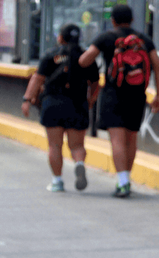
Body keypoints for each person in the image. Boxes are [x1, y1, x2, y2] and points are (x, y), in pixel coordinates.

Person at [79, 4, 159, 198]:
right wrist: (158, 95)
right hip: (137, 95)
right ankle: (127, 179)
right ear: (132, 20)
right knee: (131, 139)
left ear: (113, 20)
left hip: (113, 93)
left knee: (117, 139)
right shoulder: (143, 39)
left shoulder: (106, 37)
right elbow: (157, 67)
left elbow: (84, 60)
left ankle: (123, 182)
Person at [21, 23, 100, 192]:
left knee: (54, 145)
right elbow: (95, 82)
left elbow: (37, 78)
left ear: (60, 37)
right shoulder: (85, 57)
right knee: (77, 145)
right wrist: (91, 99)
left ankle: (57, 181)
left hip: (53, 103)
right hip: (77, 103)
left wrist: (27, 99)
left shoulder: (50, 54)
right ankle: (79, 163)